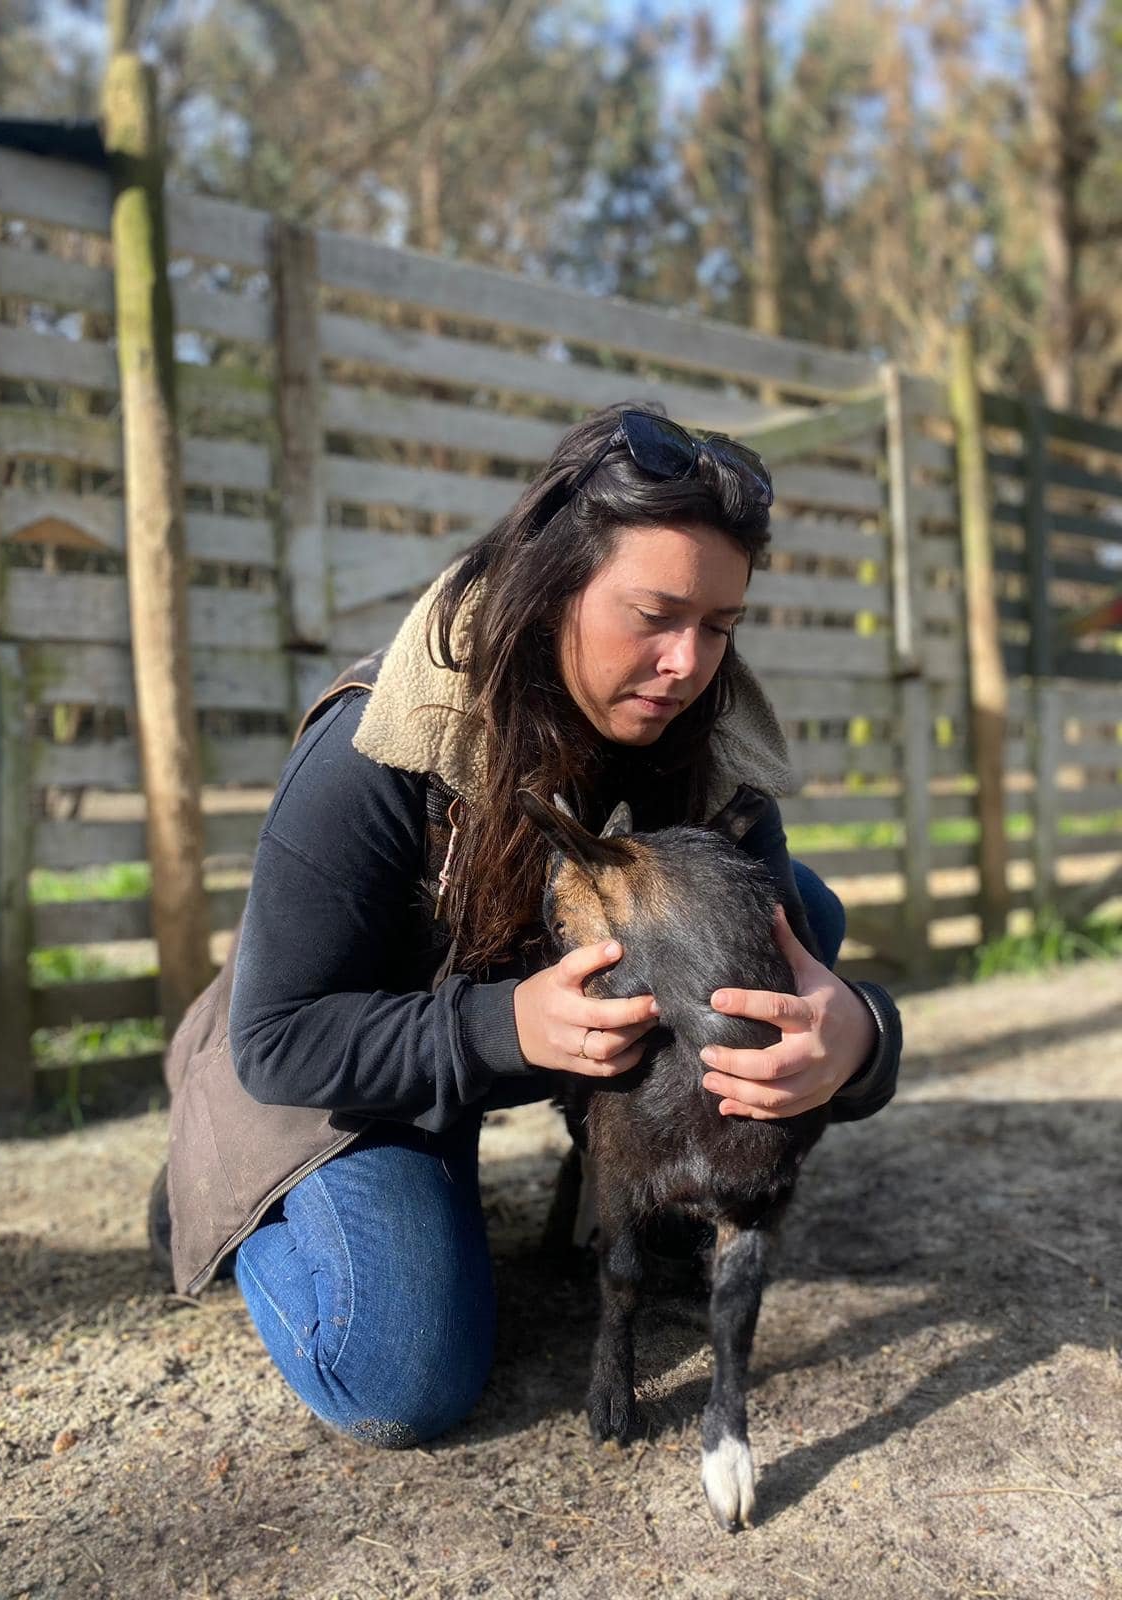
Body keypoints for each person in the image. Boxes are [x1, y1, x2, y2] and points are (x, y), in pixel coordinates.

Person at [156, 403, 902, 1450]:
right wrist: (501, 1031)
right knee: (400, 1373)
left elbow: (796, 1004)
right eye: (654, 613)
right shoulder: (379, 746)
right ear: (555, 581)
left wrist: (860, 1040)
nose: (688, 664)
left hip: (531, 1034)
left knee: (795, 908)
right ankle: (230, 1182)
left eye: (720, 625)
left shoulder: (711, 747)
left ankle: (599, 1179)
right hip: (342, 1046)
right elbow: (285, 1038)